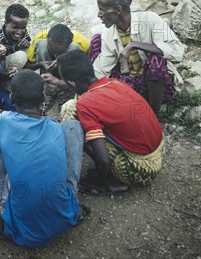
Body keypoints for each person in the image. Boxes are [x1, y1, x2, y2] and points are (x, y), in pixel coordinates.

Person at [0, 70, 88, 247]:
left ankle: (4, 211)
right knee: (72, 126)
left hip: (19, 231)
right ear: (43, 98)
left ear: (12, 98)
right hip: (66, 217)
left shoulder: (3, 121)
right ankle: (73, 203)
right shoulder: (54, 128)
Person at [49, 50, 165, 196]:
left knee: (71, 111)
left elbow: (103, 160)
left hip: (141, 167)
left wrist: (98, 179)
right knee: (78, 104)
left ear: (71, 82)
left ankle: (113, 183)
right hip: (160, 150)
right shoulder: (115, 83)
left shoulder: (85, 104)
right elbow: (82, 89)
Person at [91, 0, 184, 114]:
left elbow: (177, 51)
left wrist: (135, 45)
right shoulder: (108, 33)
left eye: (102, 10)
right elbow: (102, 70)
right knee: (96, 41)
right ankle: (129, 106)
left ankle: (152, 114)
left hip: (154, 83)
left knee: (156, 60)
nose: (99, 14)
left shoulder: (150, 20)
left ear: (118, 10)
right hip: (129, 82)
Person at [25, 24, 90, 110]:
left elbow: (87, 76)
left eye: (60, 52)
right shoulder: (40, 38)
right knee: (41, 46)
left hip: (70, 75)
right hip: (49, 72)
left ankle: (71, 91)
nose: (56, 56)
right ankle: (50, 89)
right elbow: (27, 66)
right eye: (53, 51)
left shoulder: (82, 44)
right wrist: (40, 64)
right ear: (47, 40)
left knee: (75, 49)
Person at [0, 4, 31, 72]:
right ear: (6, 23)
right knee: (21, 56)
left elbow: (28, 47)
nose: (19, 32)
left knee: (31, 50)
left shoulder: (24, 33)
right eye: (15, 27)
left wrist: (27, 45)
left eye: (23, 27)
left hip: (16, 63)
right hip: (1, 65)